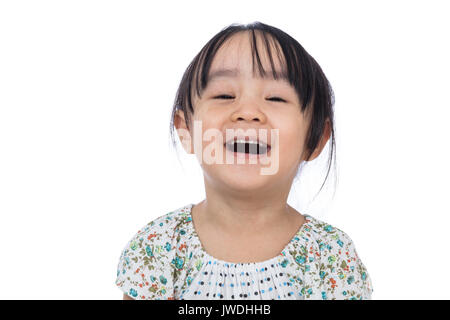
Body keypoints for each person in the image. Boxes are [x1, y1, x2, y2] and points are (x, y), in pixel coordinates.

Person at [115, 21, 373, 300]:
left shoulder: (330, 258)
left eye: (275, 97)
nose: (248, 111)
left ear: (315, 140)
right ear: (186, 130)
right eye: (224, 95)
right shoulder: (159, 247)